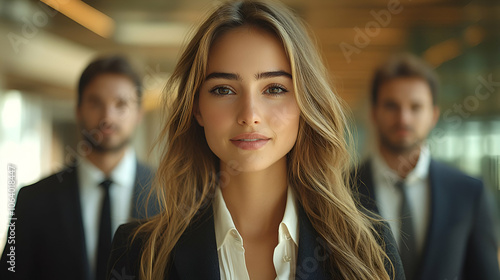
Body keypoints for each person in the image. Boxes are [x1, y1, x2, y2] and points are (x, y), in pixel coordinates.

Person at [108, 1, 404, 280]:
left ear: (306, 103)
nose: (250, 115)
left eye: (274, 89)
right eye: (223, 90)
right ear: (197, 108)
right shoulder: (139, 253)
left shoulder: (368, 248)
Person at [0, 55, 157, 280]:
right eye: (96, 103)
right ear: (78, 110)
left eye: (121, 104)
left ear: (139, 114)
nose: (107, 117)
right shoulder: (33, 200)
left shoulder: (172, 196)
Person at [354, 53, 500, 280]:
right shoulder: (341, 190)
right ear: (374, 113)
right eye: (391, 106)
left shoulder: (468, 193)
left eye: (415, 107)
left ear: (433, 115)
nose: (404, 118)